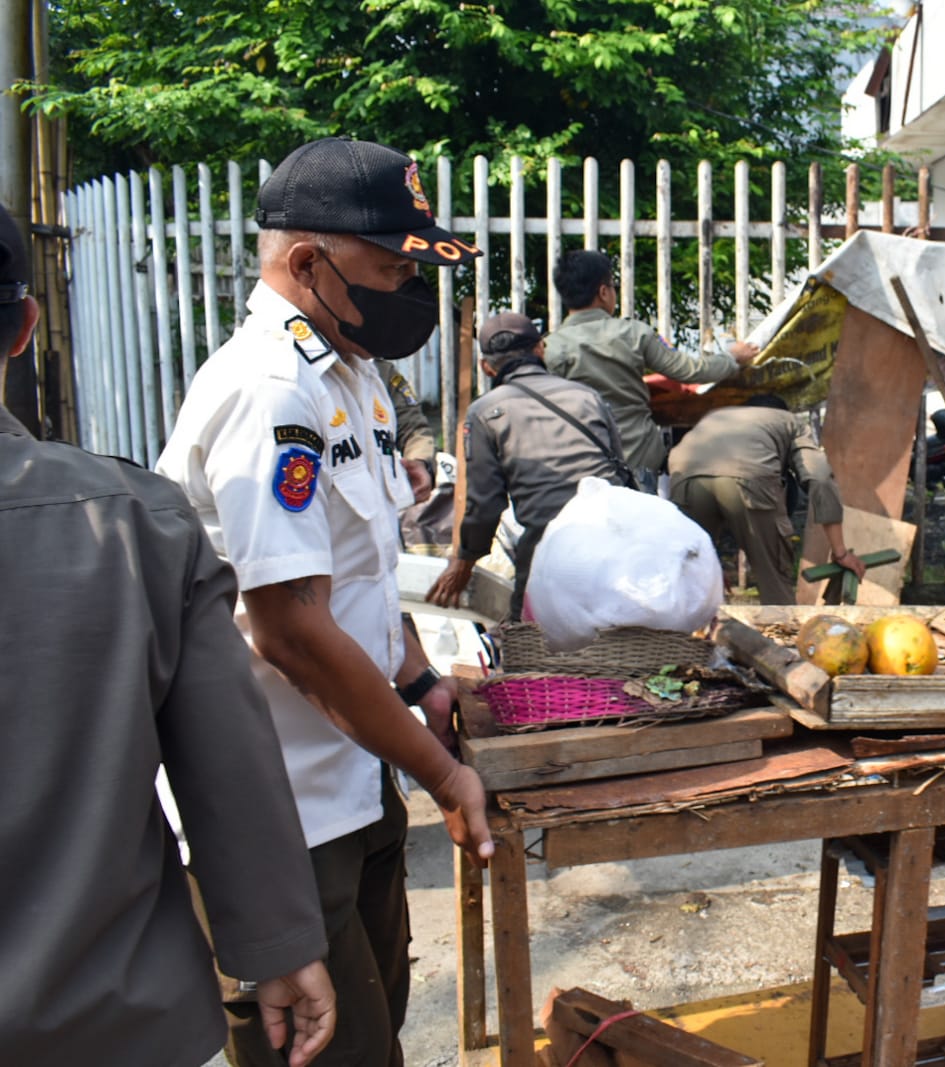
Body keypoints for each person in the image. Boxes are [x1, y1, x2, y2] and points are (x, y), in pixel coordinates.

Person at [154, 137, 495, 1067]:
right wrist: (444, 774)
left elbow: (358, 575)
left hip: (352, 770)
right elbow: (292, 631)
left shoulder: (348, 371)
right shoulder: (270, 391)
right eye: (393, 271)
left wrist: (419, 679)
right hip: (275, 806)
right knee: (328, 1050)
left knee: (377, 1030)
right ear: (308, 263)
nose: (410, 294)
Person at [0, 201, 335, 1067]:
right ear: (25, 328)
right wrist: (278, 943)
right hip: (106, 1020)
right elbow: (225, 756)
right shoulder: (132, 519)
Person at [427, 311, 632, 616]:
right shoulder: (588, 397)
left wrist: (464, 562)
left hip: (547, 549)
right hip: (615, 540)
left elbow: (485, 504)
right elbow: (620, 468)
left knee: (529, 635)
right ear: (540, 349)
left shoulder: (484, 412)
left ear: (486, 366)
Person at [542, 249, 758, 487]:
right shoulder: (633, 333)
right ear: (603, 292)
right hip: (637, 456)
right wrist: (732, 357)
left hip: (581, 460)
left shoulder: (550, 347)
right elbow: (690, 370)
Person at [667, 395, 864, 604]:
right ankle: (781, 624)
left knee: (690, 570)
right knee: (774, 575)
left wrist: (711, 568)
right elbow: (820, 477)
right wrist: (840, 553)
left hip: (683, 475)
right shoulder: (790, 422)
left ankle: (679, 623)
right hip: (747, 475)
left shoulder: (716, 417)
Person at [375, 357, 437, 504]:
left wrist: (419, 462)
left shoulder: (381, 371)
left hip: (383, 496)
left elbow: (414, 430)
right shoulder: (318, 374)